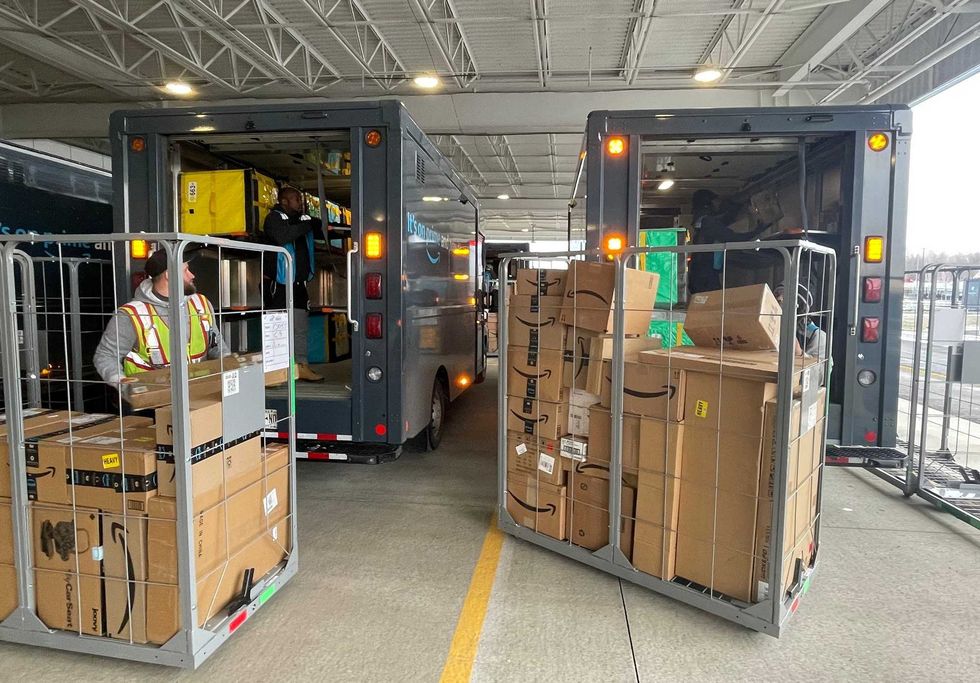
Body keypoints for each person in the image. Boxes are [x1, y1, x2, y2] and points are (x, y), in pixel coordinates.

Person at [93, 248, 228, 393]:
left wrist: (230, 365)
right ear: (169, 275)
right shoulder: (131, 315)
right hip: (153, 400)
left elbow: (216, 344)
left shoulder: (201, 303)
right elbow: (105, 356)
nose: (192, 275)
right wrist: (124, 384)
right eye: (186, 270)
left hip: (199, 393)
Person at [262, 186, 325, 382]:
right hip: (278, 285)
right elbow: (283, 236)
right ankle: (274, 373)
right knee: (276, 329)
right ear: (284, 201)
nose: (300, 202)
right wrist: (306, 224)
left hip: (299, 285)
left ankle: (301, 366)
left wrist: (310, 222)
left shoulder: (302, 219)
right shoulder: (273, 219)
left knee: (300, 328)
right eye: (296, 199)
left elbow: (320, 226)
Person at [688, 189, 771, 294]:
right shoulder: (708, 222)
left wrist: (738, 205)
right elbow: (734, 238)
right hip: (706, 275)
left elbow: (725, 220)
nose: (718, 204)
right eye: (715, 201)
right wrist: (757, 230)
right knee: (713, 300)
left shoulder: (701, 220)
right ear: (708, 204)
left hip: (701, 271)